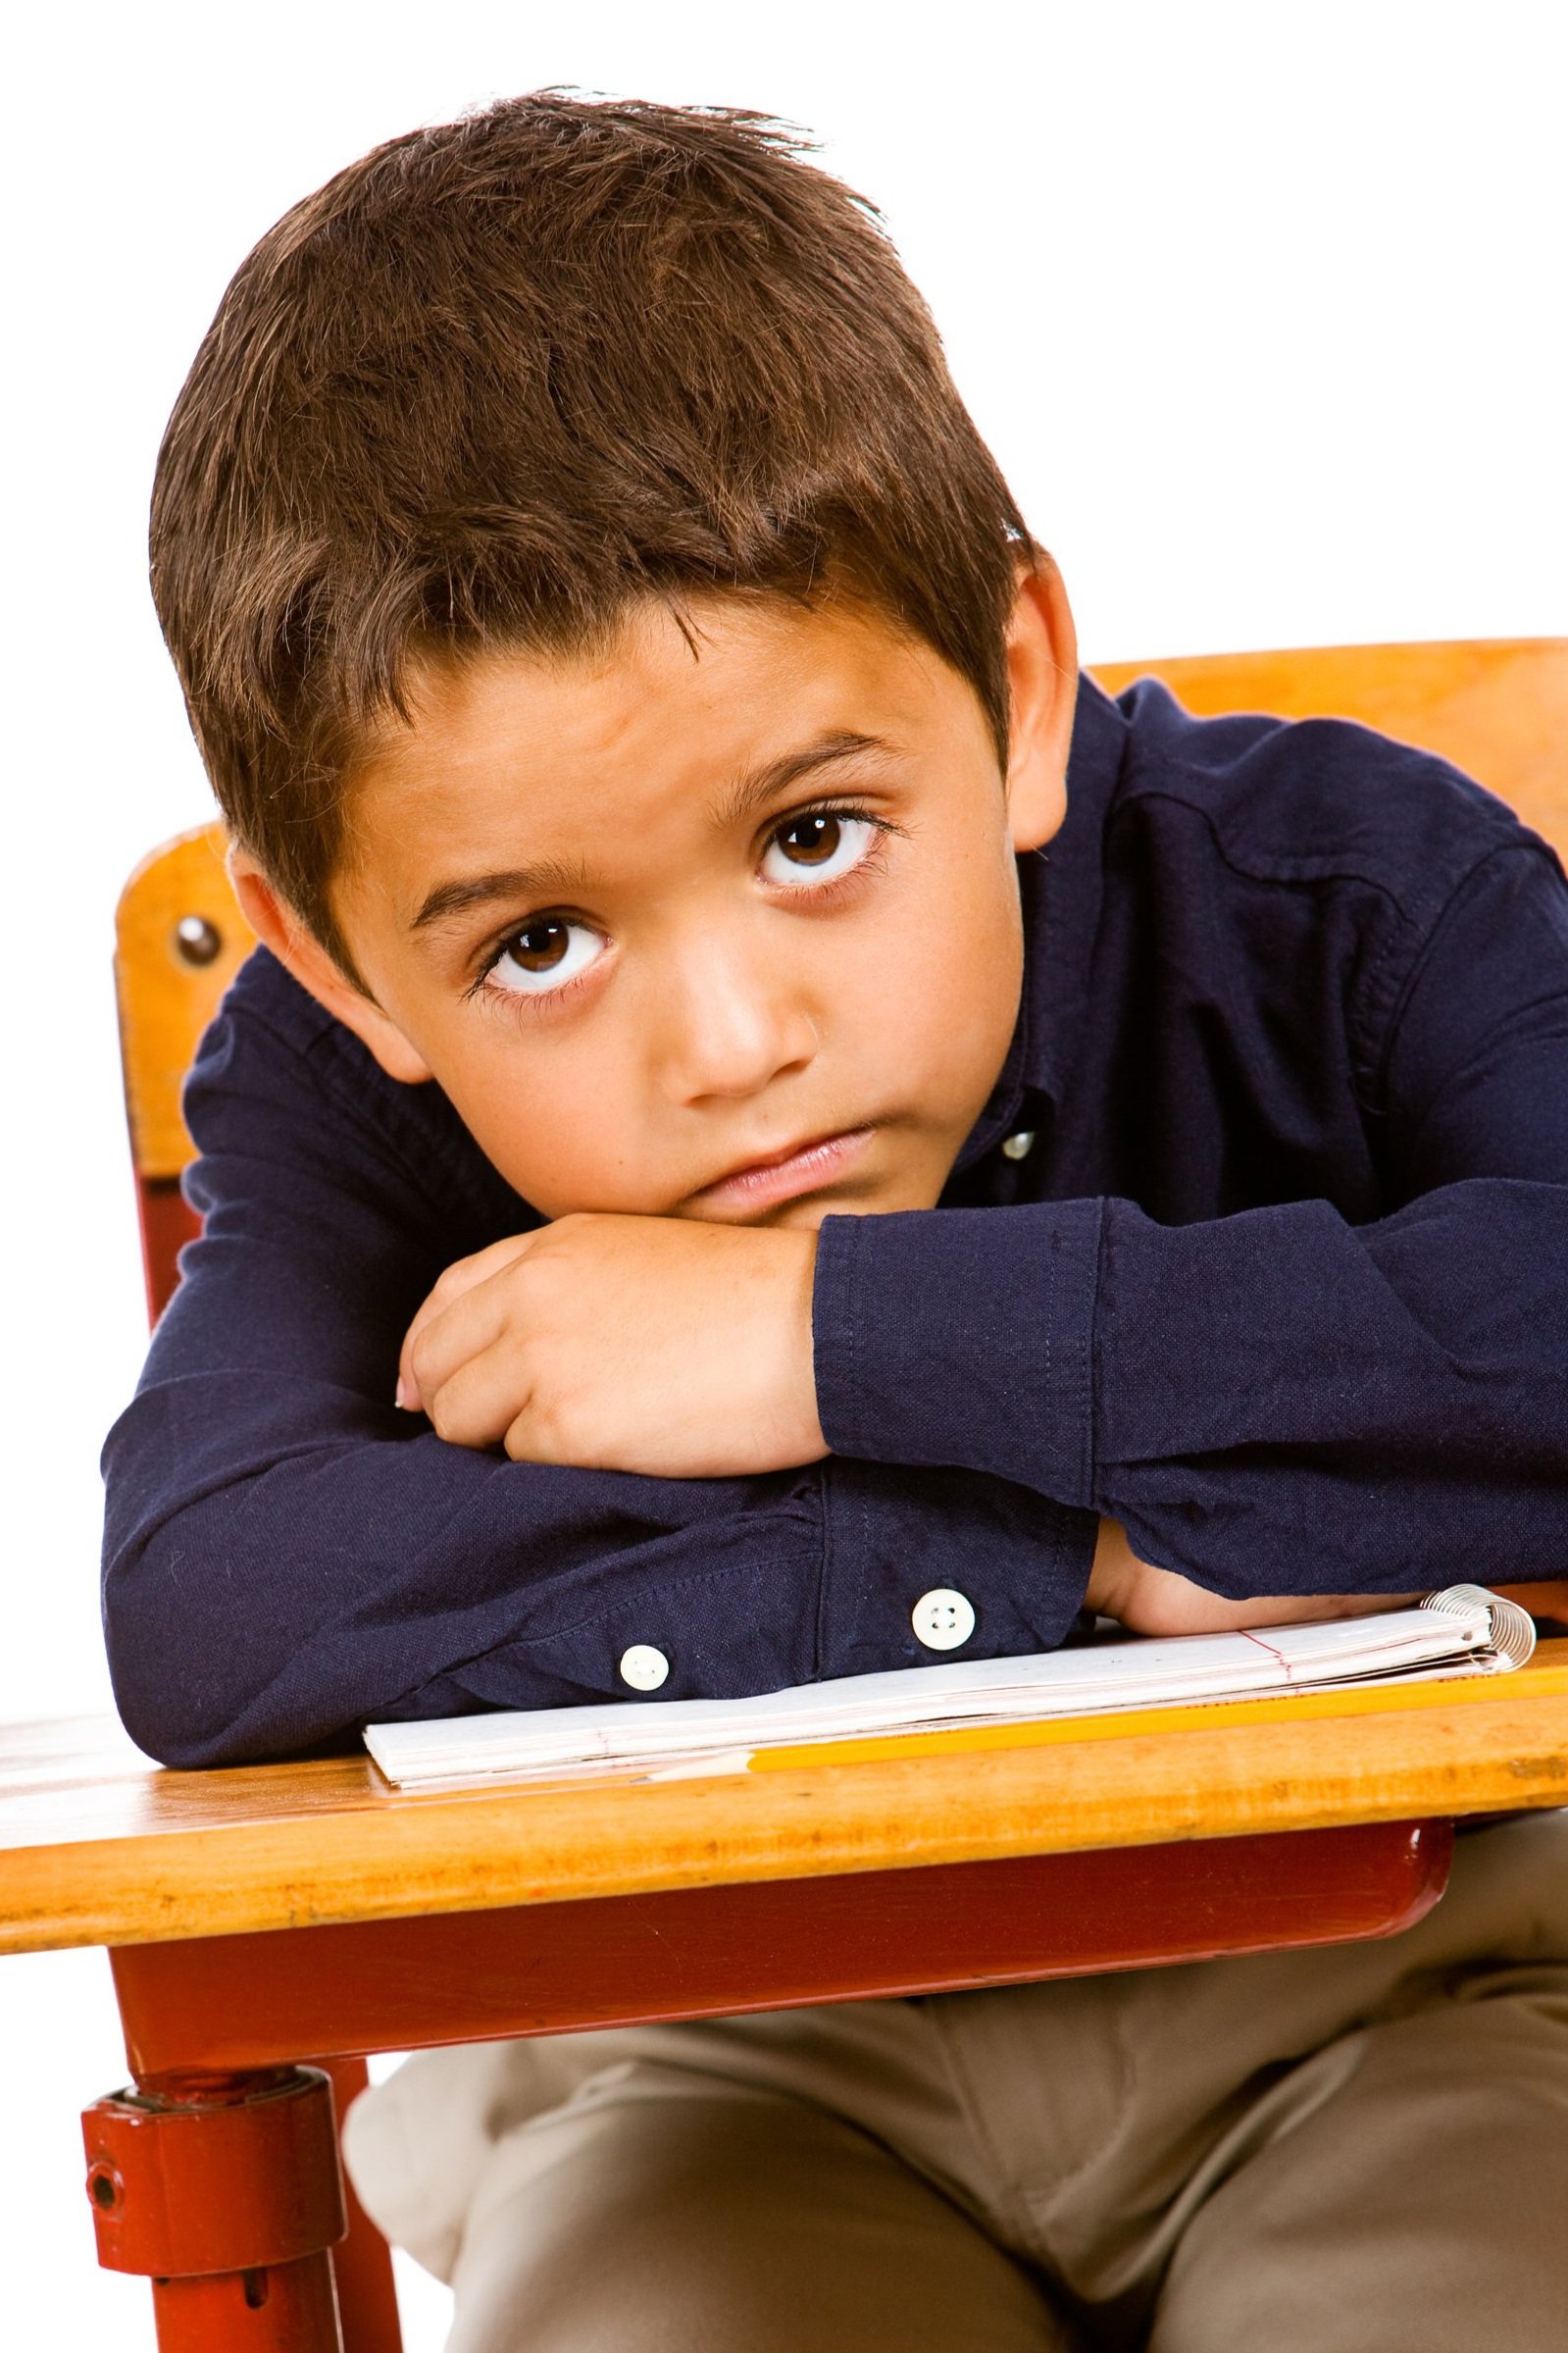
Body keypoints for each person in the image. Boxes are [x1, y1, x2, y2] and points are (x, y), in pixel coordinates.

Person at [104, 94, 1568, 2352]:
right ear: (329, 962)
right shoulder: (336, 1093)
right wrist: (1051, 1553)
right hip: (708, 2055)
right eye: (533, 949)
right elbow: (214, 1601)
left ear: (1009, 688)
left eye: (808, 837)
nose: (725, 1042)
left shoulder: (1343, 892)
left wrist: (830, 1334)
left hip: (1404, 1993)